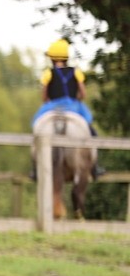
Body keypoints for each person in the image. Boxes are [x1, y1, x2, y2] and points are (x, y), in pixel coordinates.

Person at [32, 38, 103, 180]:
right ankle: (95, 167)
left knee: (36, 127)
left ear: (52, 58)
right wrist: (74, 97)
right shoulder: (76, 72)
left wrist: (51, 99)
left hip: (53, 106)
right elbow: (82, 94)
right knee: (90, 130)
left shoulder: (48, 73)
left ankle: (34, 168)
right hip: (73, 106)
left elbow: (44, 96)